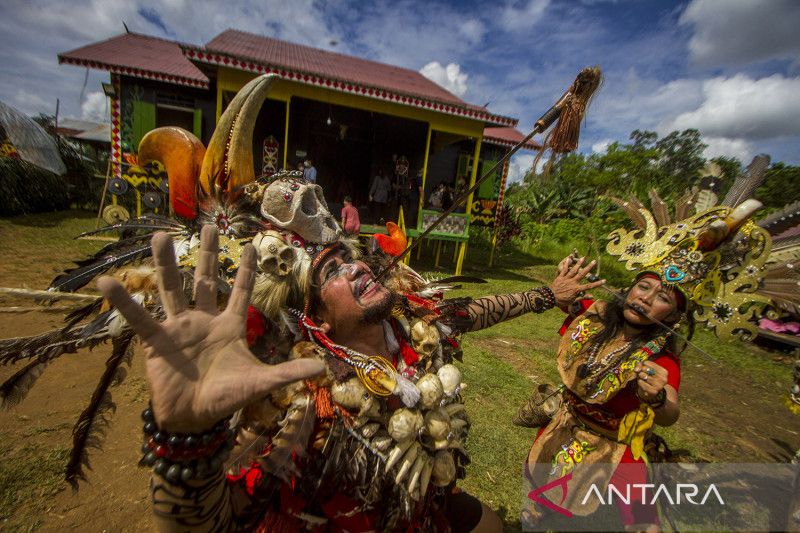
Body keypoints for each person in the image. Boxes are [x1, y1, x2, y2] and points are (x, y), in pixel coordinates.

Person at [97, 194, 604, 531]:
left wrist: (546, 294)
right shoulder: (304, 398)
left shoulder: (412, 322)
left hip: (424, 508)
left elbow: (478, 310)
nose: (358, 265)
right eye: (332, 270)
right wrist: (186, 438)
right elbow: (218, 522)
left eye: (352, 256)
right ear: (315, 316)